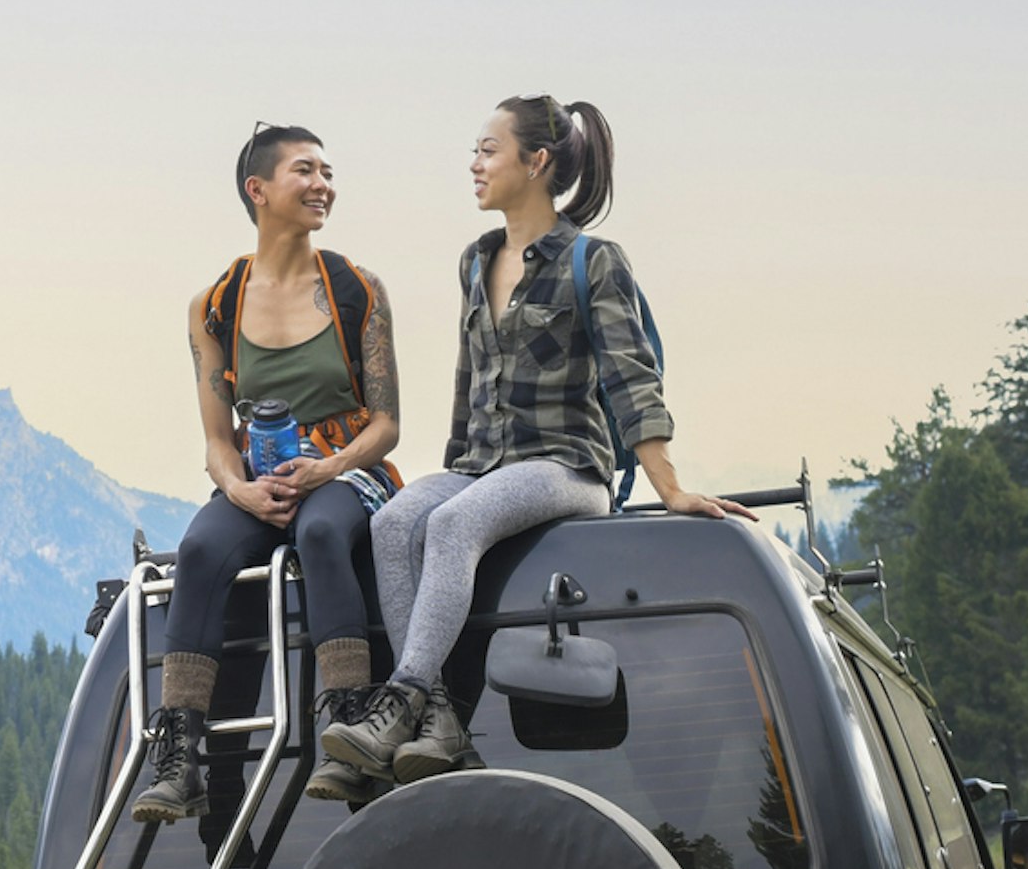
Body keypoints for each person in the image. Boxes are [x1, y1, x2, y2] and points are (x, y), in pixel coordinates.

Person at [321, 95, 754, 788]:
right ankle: (438, 723)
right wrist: (451, 467)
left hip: (566, 470)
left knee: (456, 522)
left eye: (489, 150)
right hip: (481, 467)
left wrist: (670, 487)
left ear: (538, 161)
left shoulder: (593, 261)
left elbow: (631, 380)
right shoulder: (475, 261)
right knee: (398, 519)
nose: (474, 163)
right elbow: (469, 382)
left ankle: (399, 698)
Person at [128, 125, 403, 825]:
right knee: (198, 549)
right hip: (256, 480)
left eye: (327, 172)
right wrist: (239, 488)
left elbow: (386, 424)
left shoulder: (356, 291)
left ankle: (347, 727)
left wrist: (328, 469)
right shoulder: (214, 305)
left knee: (321, 537)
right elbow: (218, 442)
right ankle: (179, 756)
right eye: (304, 171)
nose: (323, 185)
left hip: (346, 471)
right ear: (259, 191)